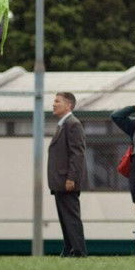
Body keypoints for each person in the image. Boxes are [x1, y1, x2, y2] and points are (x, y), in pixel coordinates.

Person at [48, 91, 87, 257]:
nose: (53, 104)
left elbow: (77, 153)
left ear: (68, 105)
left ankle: (78, 251)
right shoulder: (63, 124)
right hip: (60, 181)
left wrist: (71, 178)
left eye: (57, 101)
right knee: (65, 218)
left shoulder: (73, 124)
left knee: (71, 217)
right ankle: (69, 248)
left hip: (67, 180)